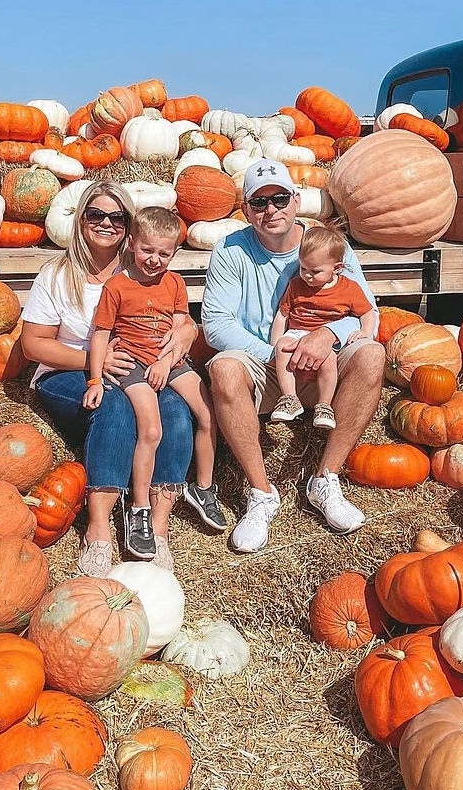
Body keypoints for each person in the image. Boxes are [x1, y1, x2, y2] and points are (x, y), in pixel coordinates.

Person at [202, 158, 385, 554]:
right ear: (246, 210)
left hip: (326, 365)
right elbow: (215, 324)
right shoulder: (231, 251)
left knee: (371, 354)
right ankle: (261, 493)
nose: (271, 210)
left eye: (279, 198)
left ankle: (325, 479)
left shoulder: (329, 245)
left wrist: (326, 335)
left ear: (296, 201)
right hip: (269, 365)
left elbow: (367, 308)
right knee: (224, 368)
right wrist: (277, 353)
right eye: (259, 202)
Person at [20, 181, 197, 576]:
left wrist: (187, 332)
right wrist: (92, 363)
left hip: (138, 368)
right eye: (95, 214)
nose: (106, 223)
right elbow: (33, 345)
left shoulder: (142, 267)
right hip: (67, 372)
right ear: (81, 219)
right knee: (116, 407)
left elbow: (180, 317)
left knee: (175, 408)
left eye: (117, 217)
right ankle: (99, 526)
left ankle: (156, 521)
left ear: (130, 229)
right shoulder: (57, 275)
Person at [84, 206, 218, 561]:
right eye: (147, 250)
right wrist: (96, 379)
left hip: (165, 362)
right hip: (133, 366)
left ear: (174, 253)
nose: (154, 259)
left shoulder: (173, 283)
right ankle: (140, 506)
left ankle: (202, 488)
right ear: (131, 243)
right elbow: (100, 335)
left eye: (164, 253)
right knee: (152, 429)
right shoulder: (116, 287)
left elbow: (181, 328)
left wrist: (167, 361)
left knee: (208, 414)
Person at [269, 224, 378, 429]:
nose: (307, 275)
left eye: (315, 271)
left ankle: (324, 405)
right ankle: (289, 399)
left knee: (327, 360)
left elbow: (367, 312)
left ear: (336, 268)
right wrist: (274, 344)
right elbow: (282, 315)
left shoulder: (348, 288)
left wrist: (365, 332)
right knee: (284, 347)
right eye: (303, 269)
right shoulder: (296, 285)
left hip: (326, 339)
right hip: (297, 332)